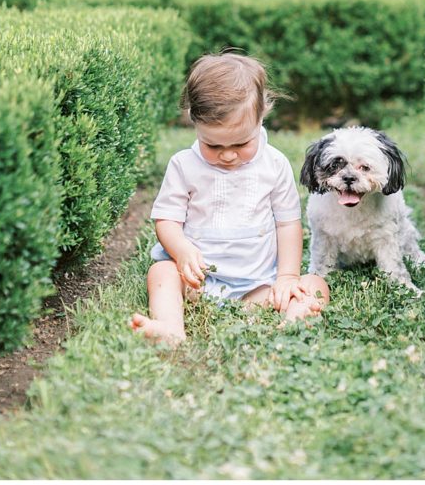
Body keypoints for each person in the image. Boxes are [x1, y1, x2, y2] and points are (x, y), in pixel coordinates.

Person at [130, 52, 329, 344]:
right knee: (162, 271)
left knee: (314, 284)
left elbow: (287, 225)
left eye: (241, 143)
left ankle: (294, 320)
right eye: (212, 145)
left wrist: (286, 277)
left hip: (259, 285)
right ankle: (170, 327)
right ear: (194, 122)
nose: (228, 154)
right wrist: (182, 250)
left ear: (262, 116)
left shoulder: (274, 165)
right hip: (199, 283)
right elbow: (167, 221)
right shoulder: (184, 165)